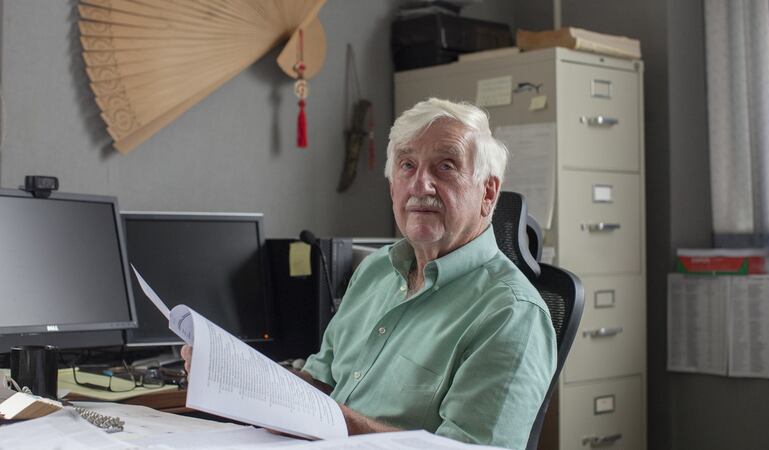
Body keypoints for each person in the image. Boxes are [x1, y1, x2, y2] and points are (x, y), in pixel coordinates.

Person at [182, 98, 556, 450]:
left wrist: (330, 422)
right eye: (407, 166)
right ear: (393, 186)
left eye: (445, 166)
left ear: (488, 192)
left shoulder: (512, 314)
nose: (421, 185)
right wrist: (238, 376)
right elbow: (321, 381)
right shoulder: (377, 270)